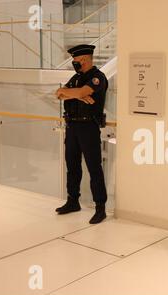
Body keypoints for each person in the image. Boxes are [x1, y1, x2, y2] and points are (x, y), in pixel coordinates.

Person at [55, 44, 109, 224]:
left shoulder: (97, 78)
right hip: (72, 127)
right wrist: (76, 94)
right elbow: (58, 93)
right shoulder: (76, 78)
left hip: (88, 128)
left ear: (84, 59)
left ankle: (100, 208)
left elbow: (79, 92)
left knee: (94, 168)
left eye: (76, 61)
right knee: (72, 166)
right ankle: (73, 201)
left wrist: (73, 93)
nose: (74, 63)